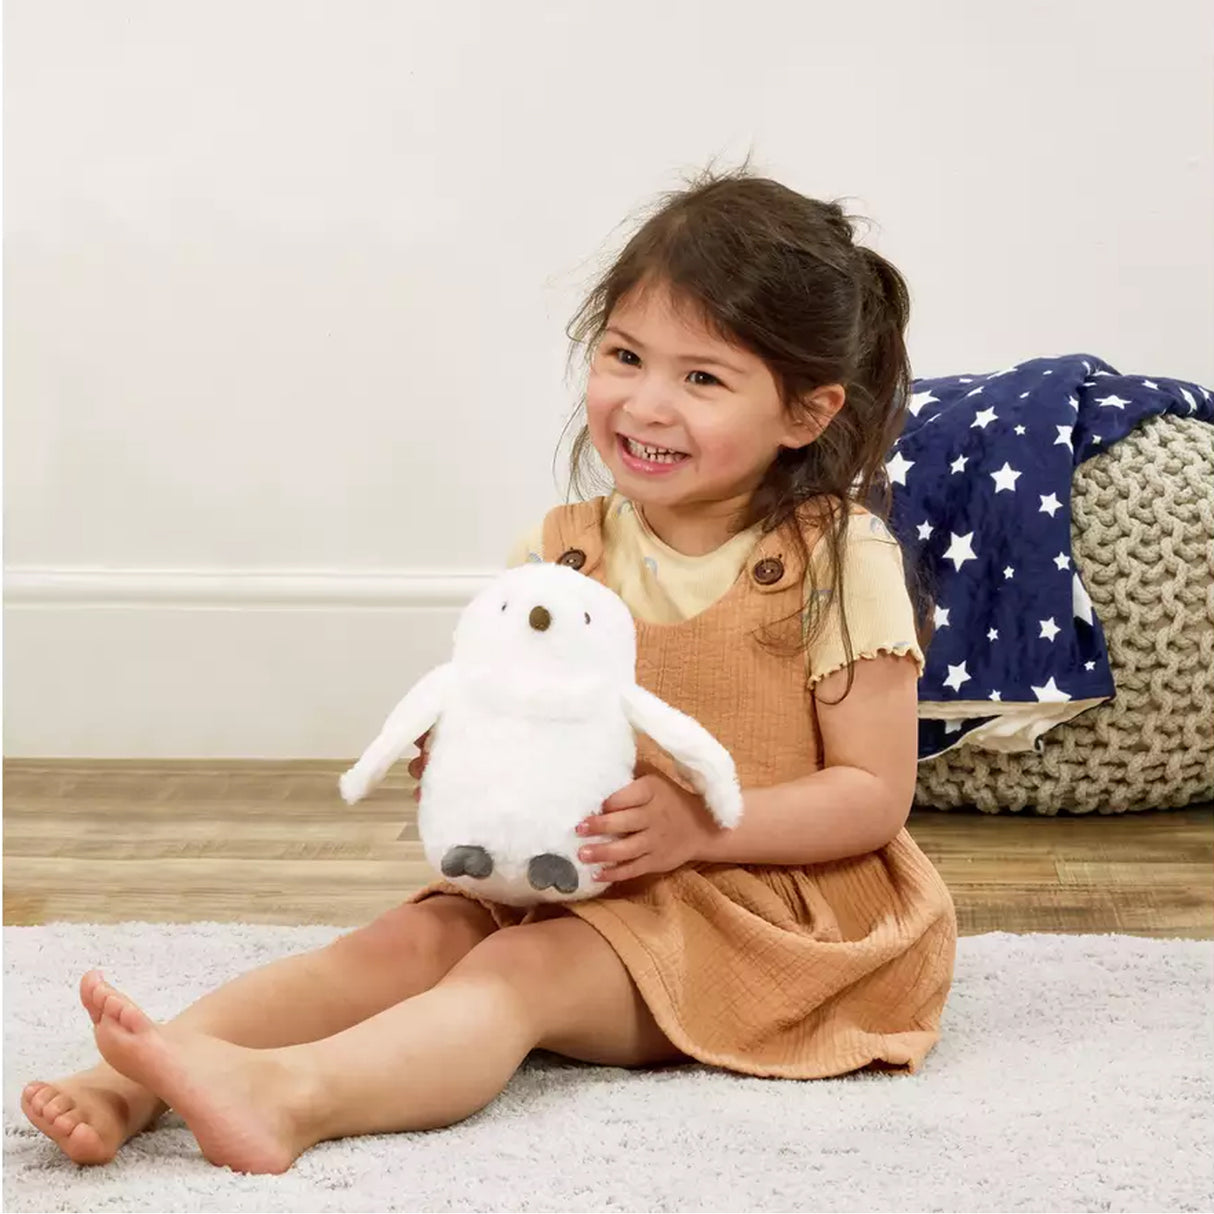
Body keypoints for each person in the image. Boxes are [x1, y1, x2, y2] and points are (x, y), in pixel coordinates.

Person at [22, 162, 957, 1175]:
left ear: (803, 413)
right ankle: (138, 1077)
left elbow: (871, 796)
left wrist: (695, 826)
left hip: (763, 912)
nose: (644, 403)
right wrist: (469, 754)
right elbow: (513, 704)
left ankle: (292, 1097)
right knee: (395, 947)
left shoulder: (836, 561)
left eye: (701, 377)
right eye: (624, 354)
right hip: (568, 878)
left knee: (521, 966)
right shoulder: (559, 553)